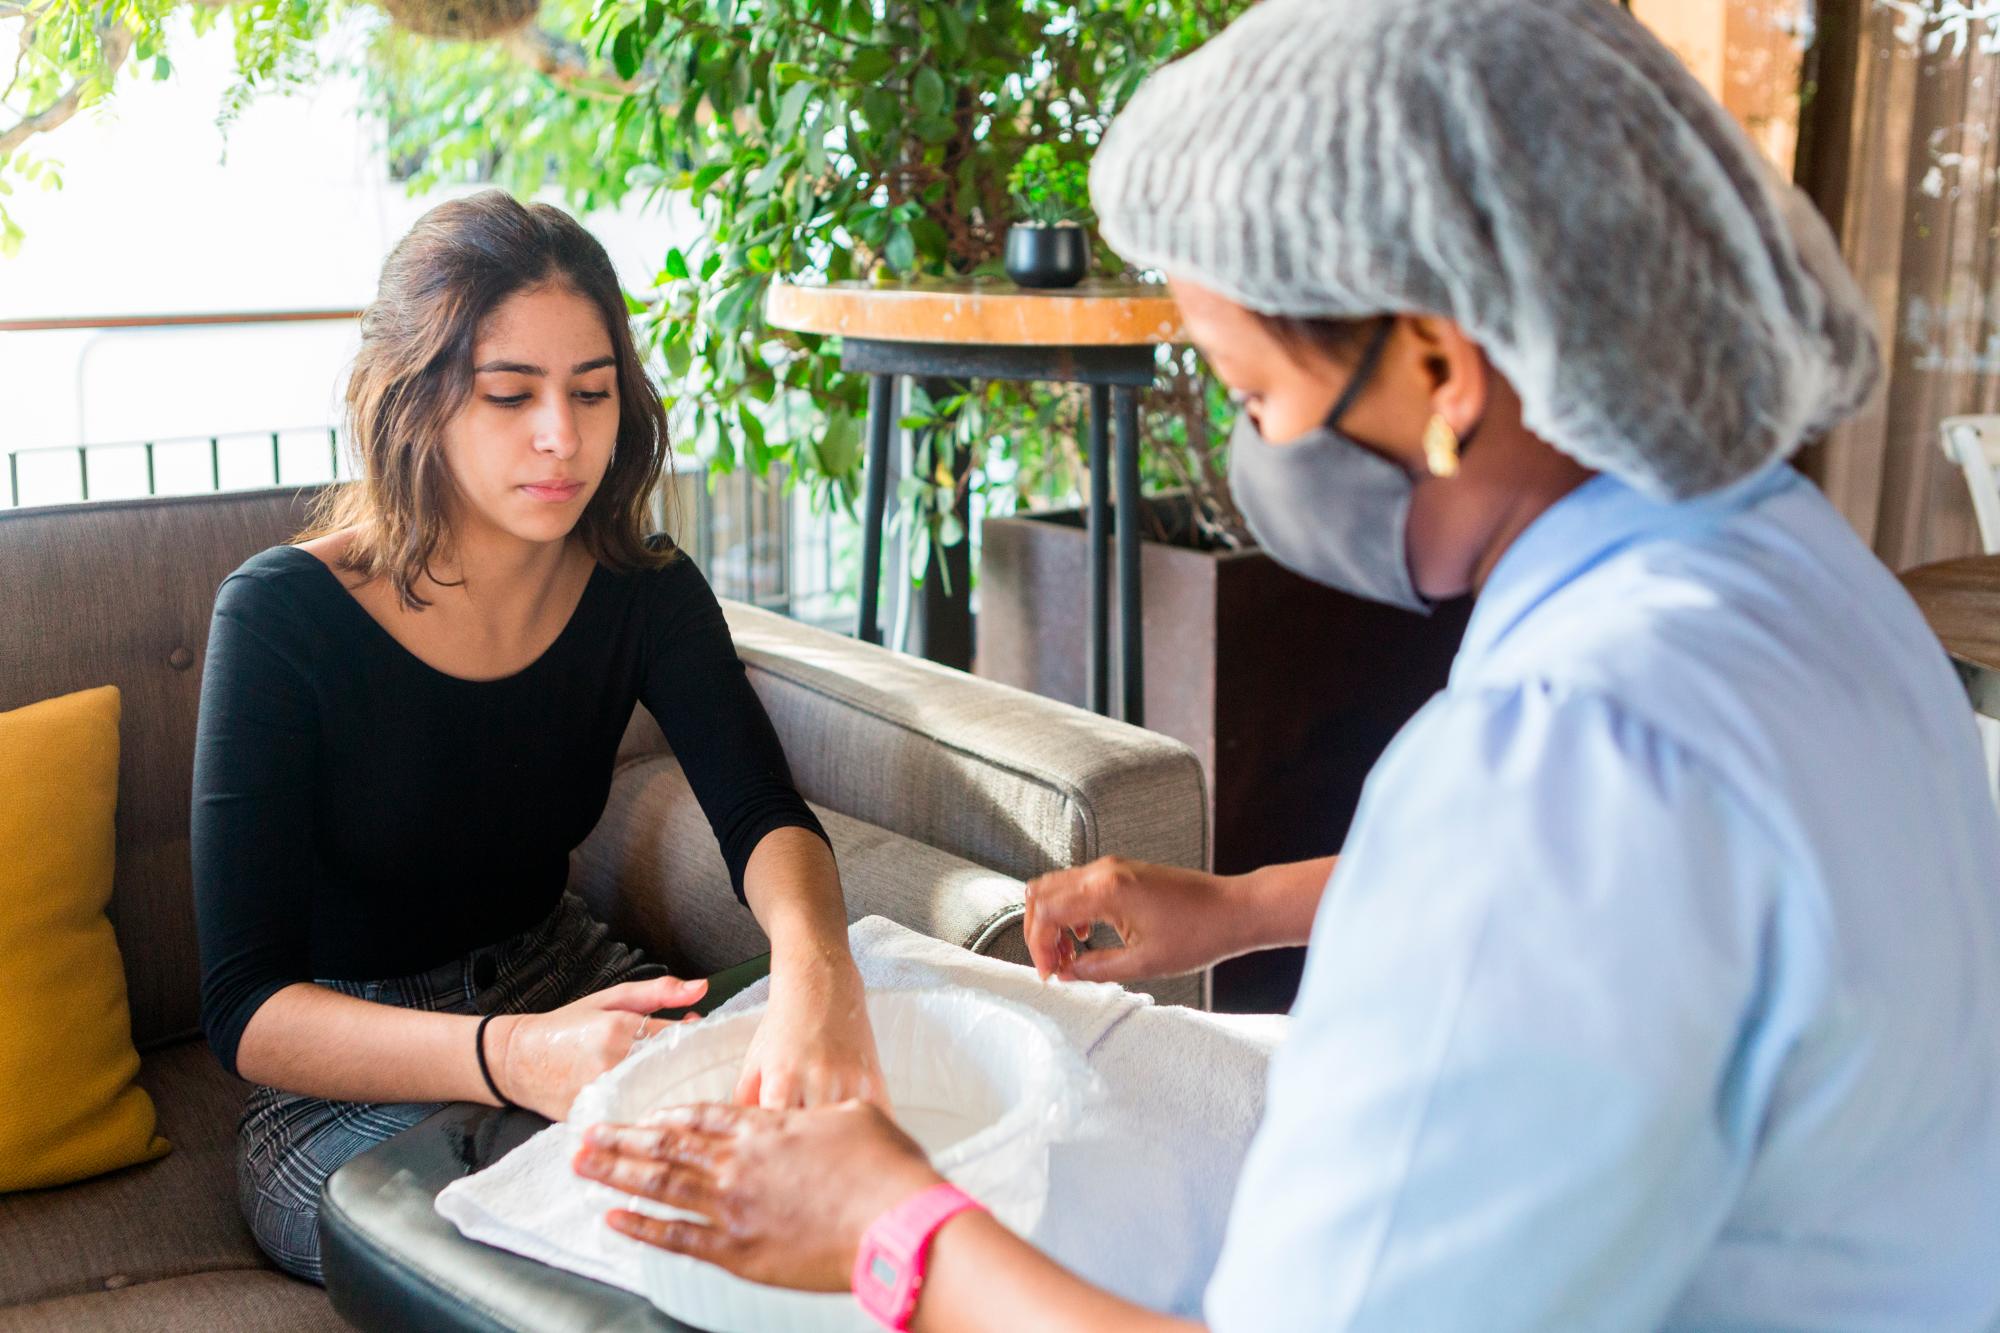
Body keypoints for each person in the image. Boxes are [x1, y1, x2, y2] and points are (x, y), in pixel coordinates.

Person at [571, 1, 2000, 1329]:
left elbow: (1567, 853)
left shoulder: (1574, 746)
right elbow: (1650, 923)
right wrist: (1246, 905)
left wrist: (892, 1229)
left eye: (1257, 392)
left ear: (1442, 369)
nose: (1253, 453)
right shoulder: (1794, 566)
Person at [191, 191, 883, 1284]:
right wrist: (512, 1055)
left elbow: (762, 816)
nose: (562, 438)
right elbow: (247, 1010)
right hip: (353, 1077)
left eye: (592, 393)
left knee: (818, 1178)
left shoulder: (642, 591)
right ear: (413, 403)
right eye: (510, 395)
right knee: (598, 1254)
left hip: (566, 977)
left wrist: (815, 966)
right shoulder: (280, 615)